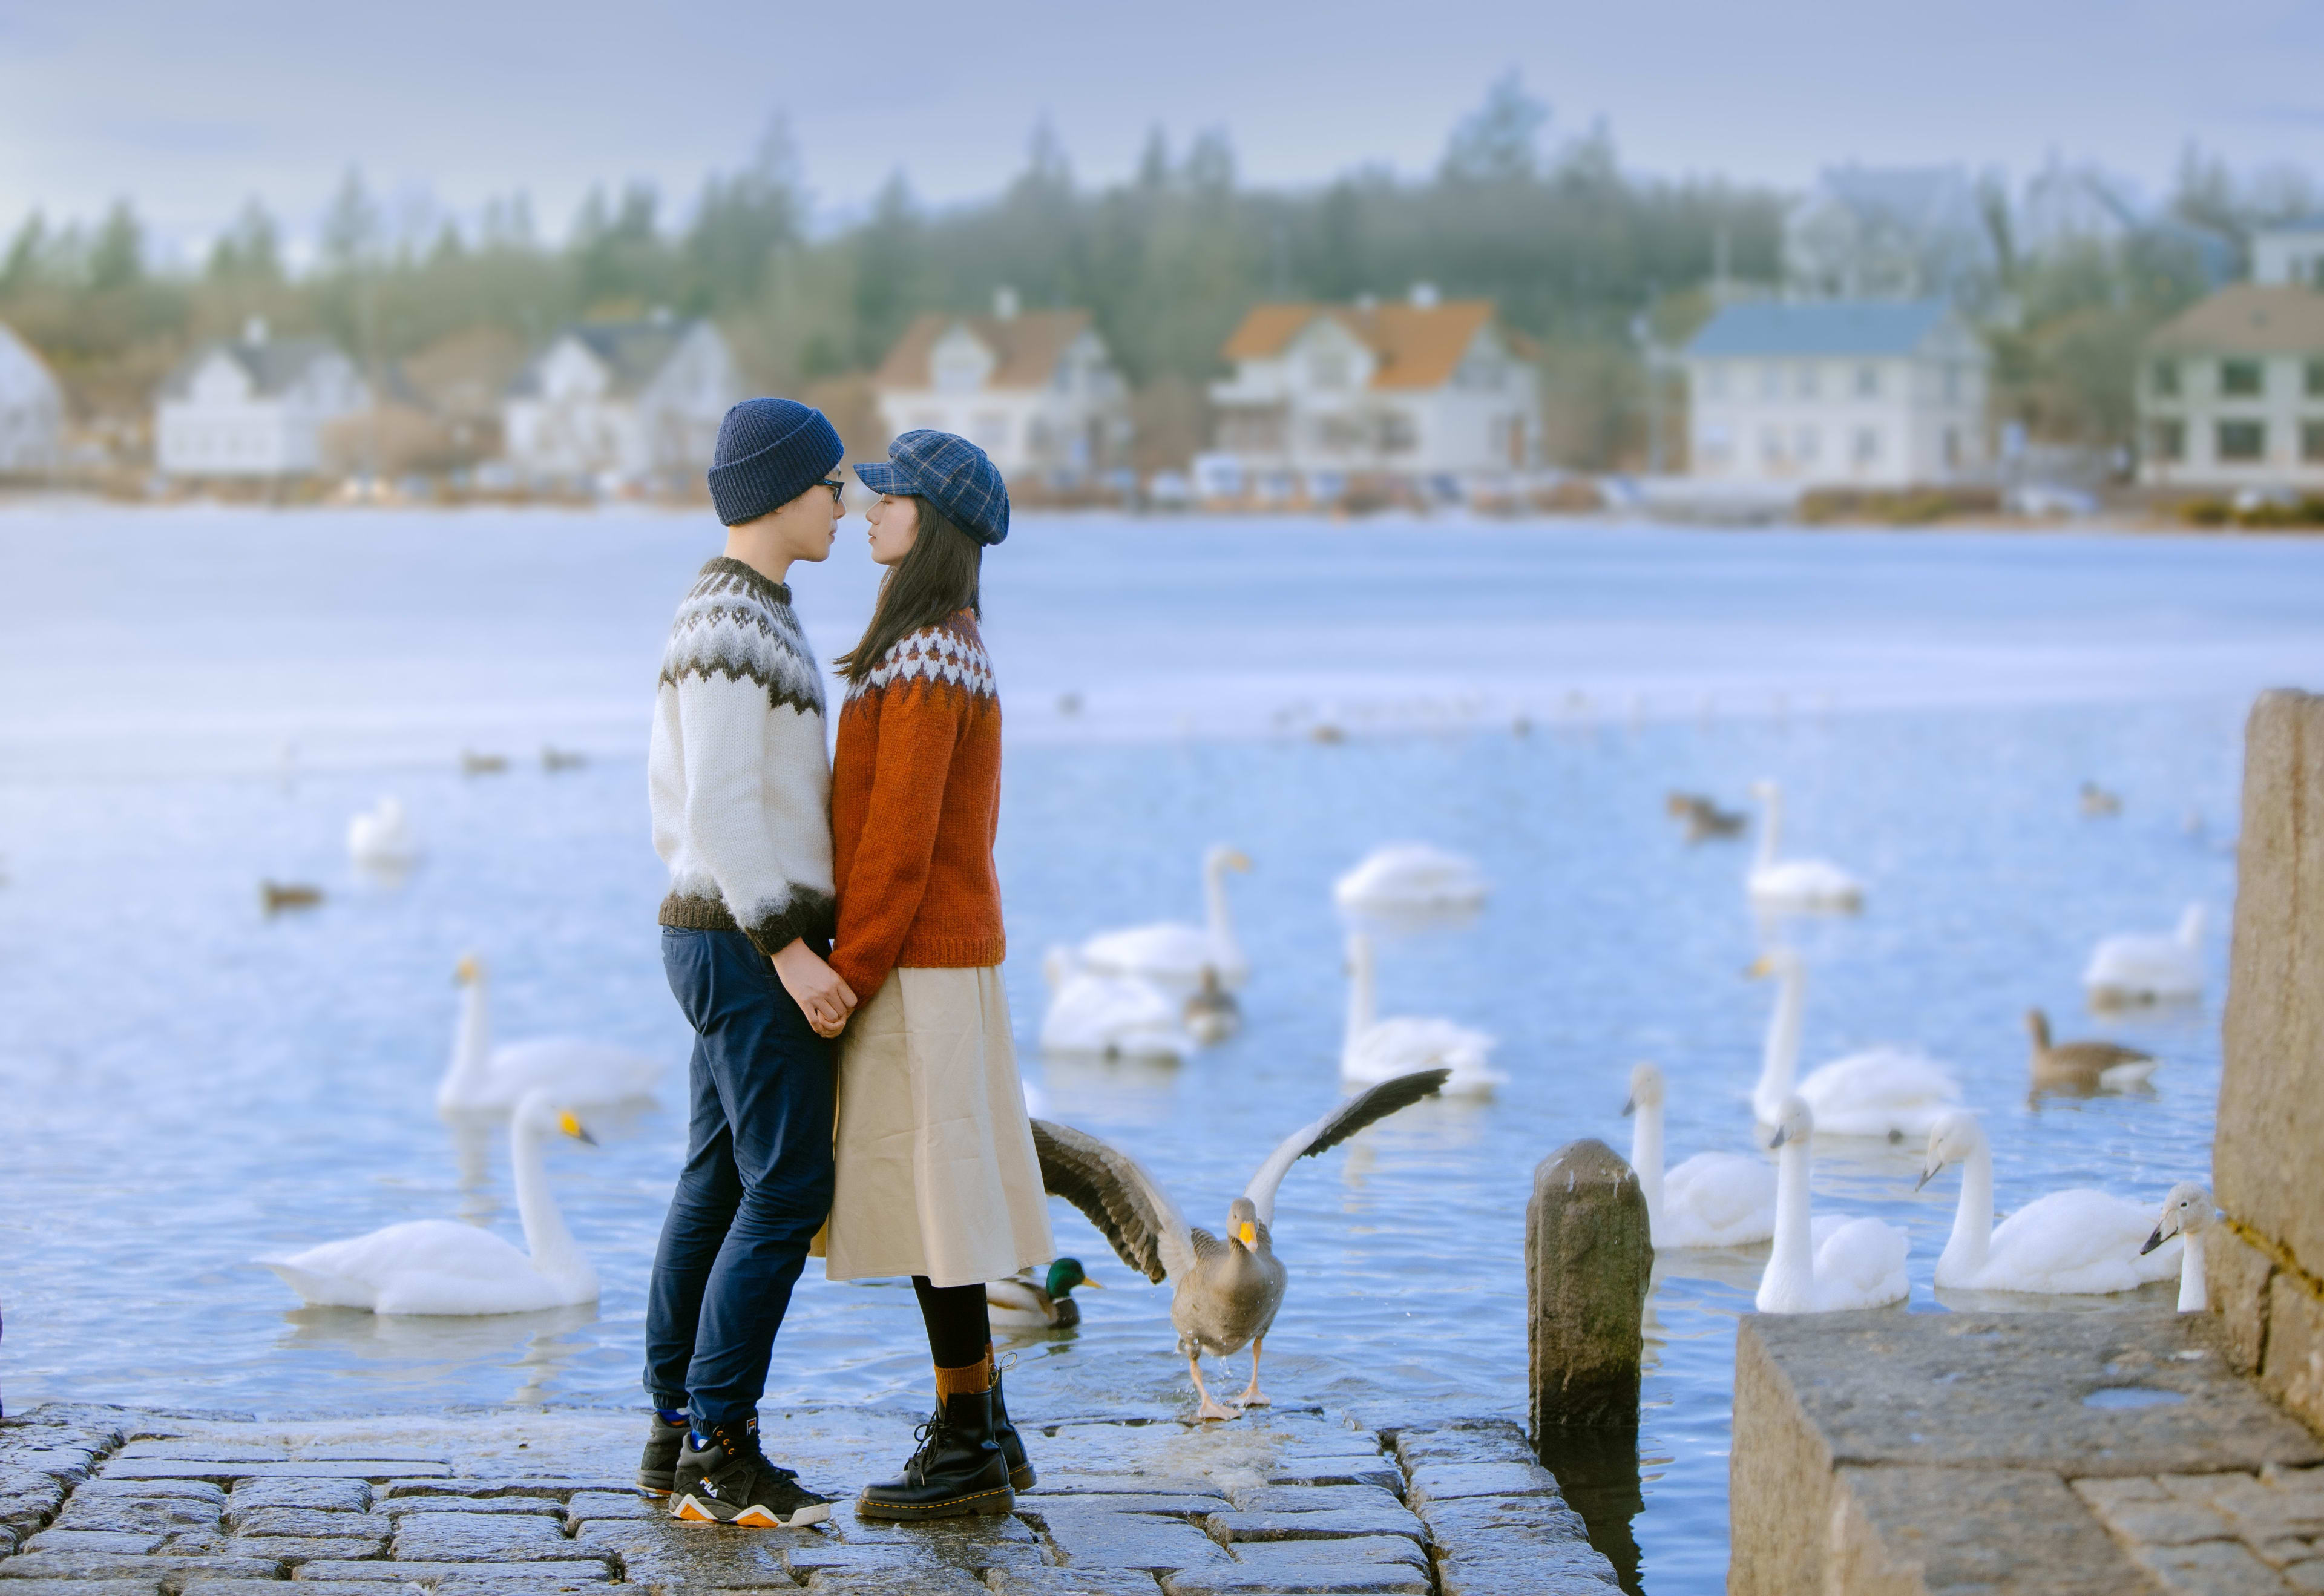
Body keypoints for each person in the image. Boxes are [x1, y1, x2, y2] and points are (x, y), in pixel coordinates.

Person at [821, 430, 1055, 1521]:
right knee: (944, 1192)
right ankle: (988, 1424)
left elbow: (899, 845)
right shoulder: (941, 641)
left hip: (917, 960)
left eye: (889, 496)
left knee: (939, 1203)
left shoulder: (924, 657)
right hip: (943, 957)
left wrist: (846, 974)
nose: (870, 508)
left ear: (933, 523)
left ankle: (965, 1441)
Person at [638, 398, 859, 1529]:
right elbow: (722, 804)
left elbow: (693, 802)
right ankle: (719, 1451)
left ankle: (675, 1428)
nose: (846, 502)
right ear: (780, 490)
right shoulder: (731, 624)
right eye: (832, 484)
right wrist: (789, 950)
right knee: (787, 1186)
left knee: (717, 1178)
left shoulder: (744, 611)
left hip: (713, 930)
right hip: (740, 938)